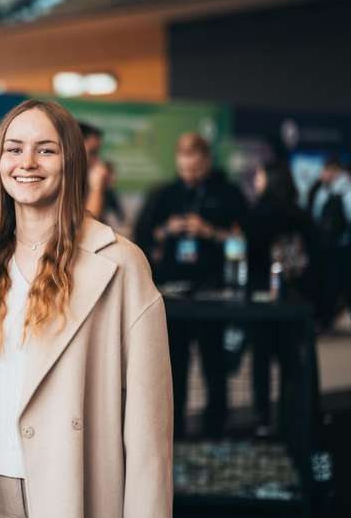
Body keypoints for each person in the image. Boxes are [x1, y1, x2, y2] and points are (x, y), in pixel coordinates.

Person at [0, 99, 174, 518]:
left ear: (72, 160)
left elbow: (151, 425)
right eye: (14, 149)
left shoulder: (119, 263)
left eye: (45, 150)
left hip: (76, 484)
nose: (26, 163)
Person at [146, 132, 248, 437]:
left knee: (214, 366)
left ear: (207, 162)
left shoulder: (229, 193)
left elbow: (243, 240)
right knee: (173, 369)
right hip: (172, 295)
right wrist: (166, 229)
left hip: (213, 292)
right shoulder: (164, 194)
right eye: (184, 170)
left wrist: (209, 231)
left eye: (195, 169)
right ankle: (173, 433)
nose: (190, 175)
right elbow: (145, 234)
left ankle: (216, 429)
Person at [247, 160, 319, 434]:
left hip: (263, 305)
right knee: (293, 365)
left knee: (262, 362)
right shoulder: (301, 215)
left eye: (260, 174)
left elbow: (250, 257)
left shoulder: (260, 214)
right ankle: (293, 418)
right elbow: (314, 261)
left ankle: (263, 419)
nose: (256, 180)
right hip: (296, 304)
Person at [306, 157, 351, 330]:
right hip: (331, 245)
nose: (321, 174)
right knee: (330, 282)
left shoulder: (343, 190)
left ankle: (328, 317)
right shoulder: (323, 190)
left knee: (334, 282)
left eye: (324, 170)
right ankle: (326, 317)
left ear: (333, 170)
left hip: (340, 246)